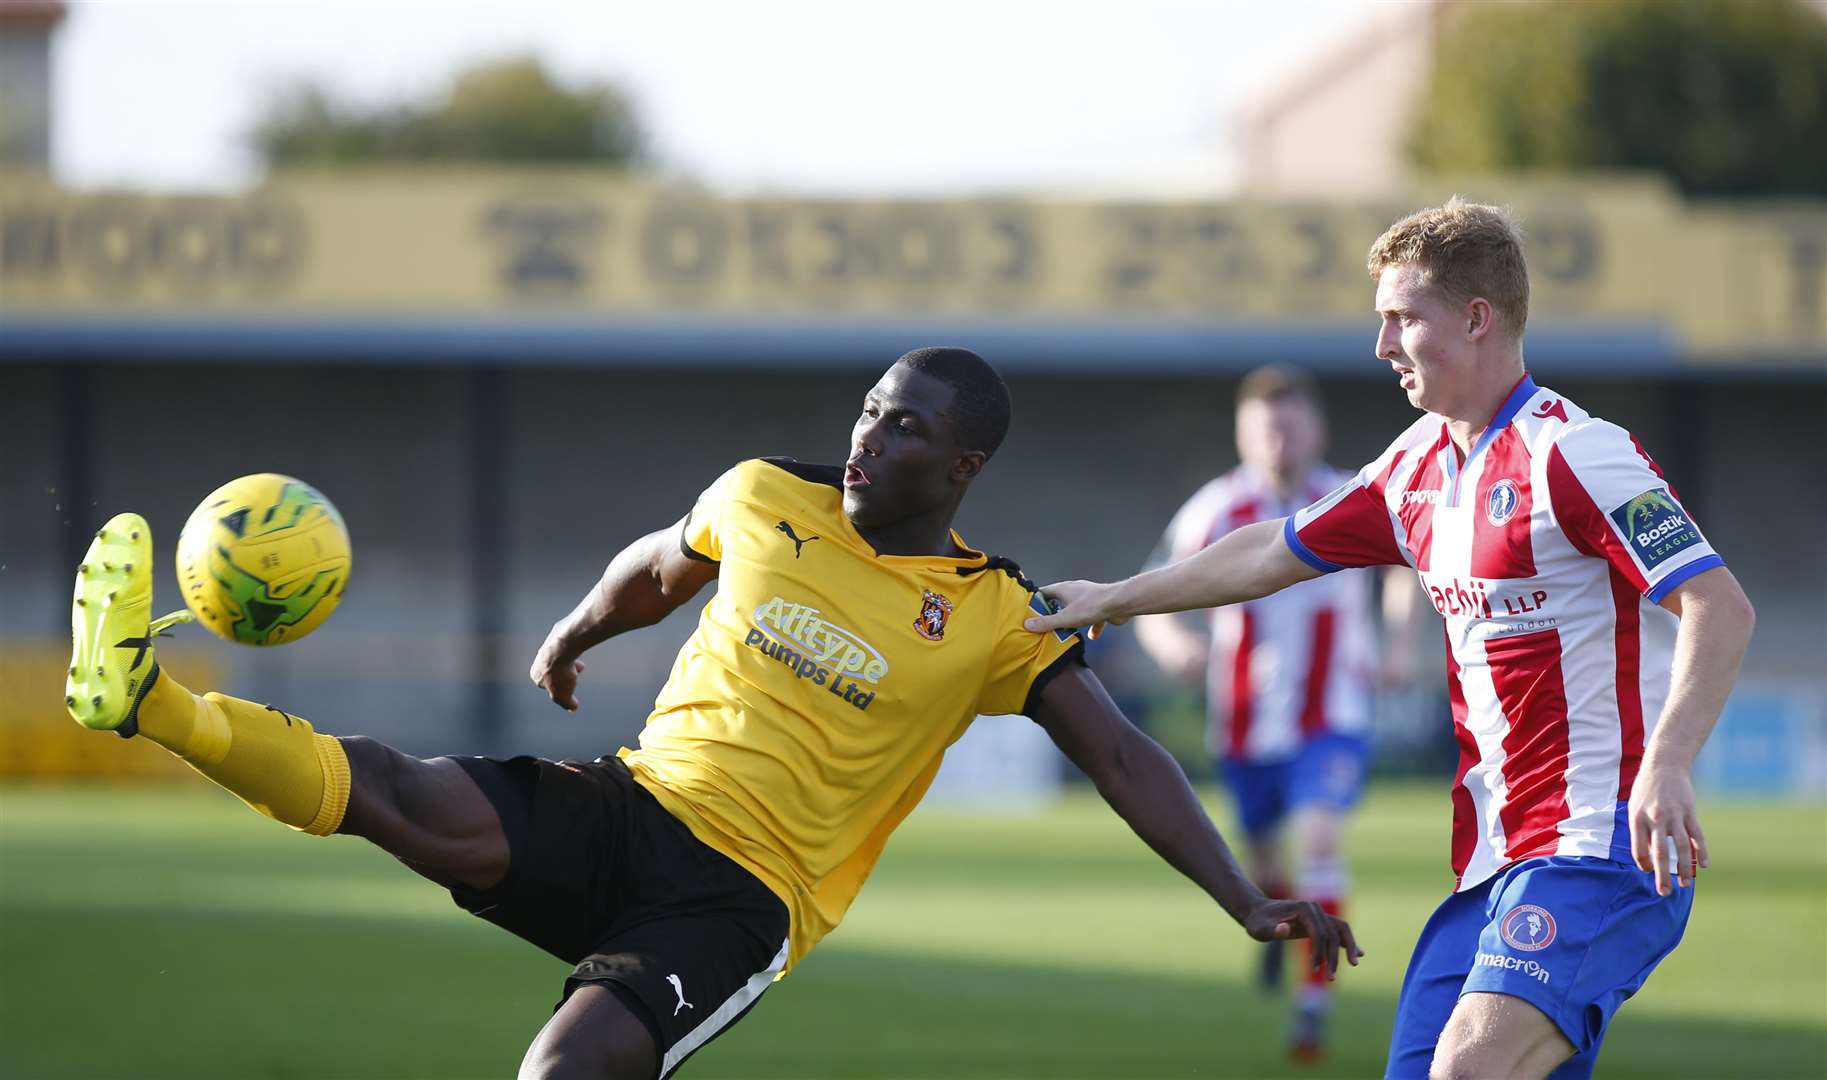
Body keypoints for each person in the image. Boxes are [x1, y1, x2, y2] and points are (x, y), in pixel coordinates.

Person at [64, 346, 1359, 1080]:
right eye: (866, 409)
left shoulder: (991, 614)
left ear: (959, 466)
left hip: (739, 902)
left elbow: (1124, 759)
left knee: (561, 1078)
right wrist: (576, 631)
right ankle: (151, 703)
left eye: (902, 429)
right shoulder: (762, 495)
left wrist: (1241, 899)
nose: (866, 437)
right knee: (401, 798)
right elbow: (656, 560)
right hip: (629, 805)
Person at [1027, 200, 1756, 1080]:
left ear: (1477, 318)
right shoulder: (1413, 467)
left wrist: (1669, 762)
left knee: (1467, 1070)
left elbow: (1720, 605)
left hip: (1596, 849)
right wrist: (1117, 597)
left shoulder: (1579, 456)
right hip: (1491, 861)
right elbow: (1268, 549)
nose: (1381, 346)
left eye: (1402, 318)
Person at [1134, 362, 1415, 1061]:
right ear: (1243, 435)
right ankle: (1278, 928)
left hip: (1331, 716)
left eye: (1289, 425)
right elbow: (1150, 590)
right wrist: (1169, 639)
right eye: (1265, 428)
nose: (1278, 441)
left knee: (1319, 841)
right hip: (1243, 720)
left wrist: (1401, 639)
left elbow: (1406, 566)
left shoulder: (1348, 496)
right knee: (1262, 863)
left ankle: (1312, 1002)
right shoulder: (1216, 509)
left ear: (1314, 429)